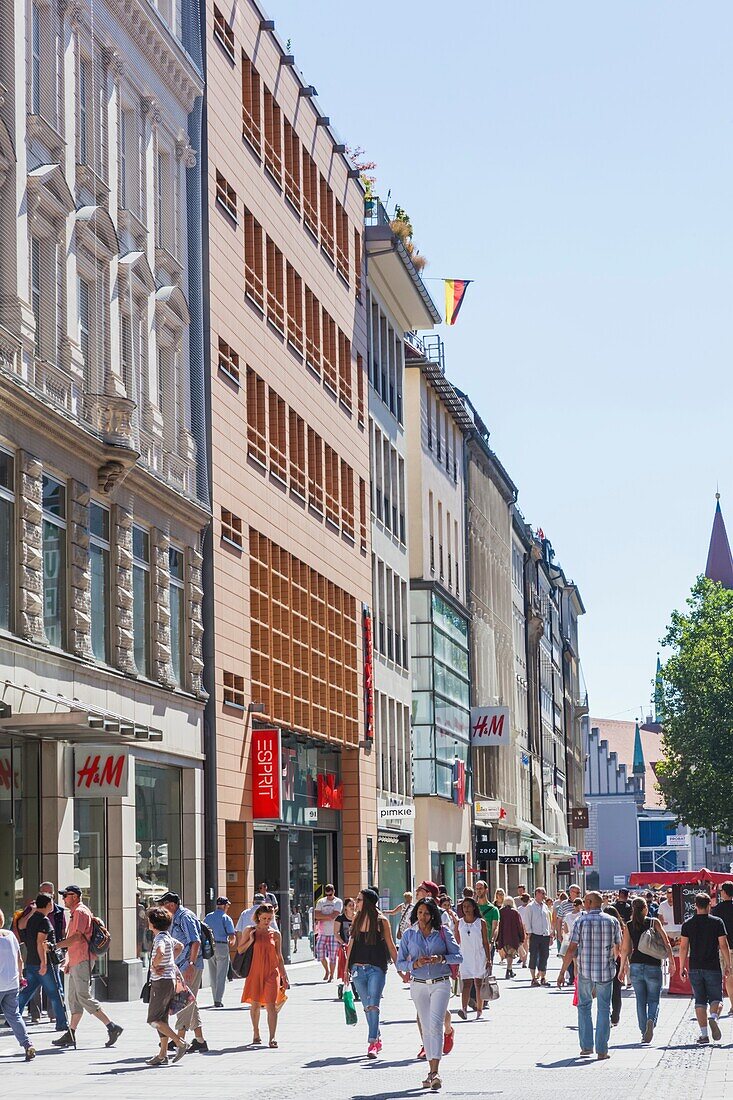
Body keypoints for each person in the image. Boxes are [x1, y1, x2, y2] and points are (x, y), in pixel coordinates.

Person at [397, 897, 462, 1092]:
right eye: (419, 913)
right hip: (418, 985)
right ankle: (430, 1070)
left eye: (426, 913)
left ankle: (435, 1071)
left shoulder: (442, 932)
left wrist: (440, 958)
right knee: (426, 1027)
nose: (422, 916)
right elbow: (399, 962)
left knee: (435, 1024)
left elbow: (458, 956)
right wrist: (413, 964)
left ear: (433, 914)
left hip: (440, 983)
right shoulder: (409, 934)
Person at [53, 885, 123, 1050]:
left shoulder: (80, 912)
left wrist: (57, 945)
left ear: (75, 896)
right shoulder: (75, 912)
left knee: (83, 996)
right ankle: (71, 1033)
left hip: (82, 959)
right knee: (74, 999)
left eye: (66, 895)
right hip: (76, 959)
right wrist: (69, 961)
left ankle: (112, 1027)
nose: (63, 898)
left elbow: (77, 937)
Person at [557, 891, 621, 1060]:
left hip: (585, 970)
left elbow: (571, 949)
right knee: (604, 1008)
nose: (584, 903)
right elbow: (618, 947)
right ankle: (602, 1049)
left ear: (591, 902)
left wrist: (563, 972)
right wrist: (613, 962)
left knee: (584, 1007)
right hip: (605, 971)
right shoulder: (612, 921)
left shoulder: (581, 921)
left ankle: (586, 1047)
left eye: (586, 901)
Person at [346, 888, 397, 1058]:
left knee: (373, 1004)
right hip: (357, 969)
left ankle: (373, 1042)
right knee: (367, 1007)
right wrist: (346, 969)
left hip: (376, 968)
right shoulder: (356, 919)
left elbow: (390, 946)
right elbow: (351, 945)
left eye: (359, 900)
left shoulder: (381, 921)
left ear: (367, 902)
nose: (356, 903)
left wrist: (401, 969)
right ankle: (378, 1037)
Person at [619, 896, 675, 1044]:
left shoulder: (629, 925)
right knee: (654, 999)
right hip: (653, 965)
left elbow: (625, 949)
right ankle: (651, 1020)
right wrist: (672, 962)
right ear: (645, 908)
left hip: (636, 965)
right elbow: (666, 942)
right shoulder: (654, 922)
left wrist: (622, 968)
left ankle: (644, 1031)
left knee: (640, 1001)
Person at [679, 892, 732, 1044]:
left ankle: (704, 1035)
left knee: (699, 1001)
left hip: (695, 966)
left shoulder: (688, 924)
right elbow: (723, 944)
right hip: (713, 965)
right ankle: (714, 1017)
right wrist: (728, 964)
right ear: (710, 904)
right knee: (717, 998)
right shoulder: (717, 922)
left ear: (695, 905)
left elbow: (683, 947)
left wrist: (682, 966)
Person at [158, 892, 208, 1053]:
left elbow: (195, 941)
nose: (161, 908)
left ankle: (179, 1039)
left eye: (163, 905)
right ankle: (200, 1040)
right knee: (189, 999)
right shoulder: (175, 918)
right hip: (180, 965)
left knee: (183, 1000)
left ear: (171, 905)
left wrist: (191, 964)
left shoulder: (185, 917)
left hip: (189, 965)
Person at [17, 893, 69, 1034]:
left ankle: (13, 1017)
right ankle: (62, 1023)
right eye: (52, 902)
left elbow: (21, 927)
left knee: (27, 991)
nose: (53, 905)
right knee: (56, 992)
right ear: (47, 904)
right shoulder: (44, 921)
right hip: (43, 964)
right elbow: (40, 942)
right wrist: (44, 964)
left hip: (31, 962)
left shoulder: (32, 919)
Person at [145, 906, 189, 1066]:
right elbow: (180, 947)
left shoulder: (159, 939)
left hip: (161, 981)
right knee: (162, 1018)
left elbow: (161, 952)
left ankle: (180, 1042)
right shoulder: (167, 936)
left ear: (152, 923)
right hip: (169, 979)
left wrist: (155, 965)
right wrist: (171, 962)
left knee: (153, 1019)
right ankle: (162, 1055)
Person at [239, 903, 289, 1047]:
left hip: (272, 972)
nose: (267, 921)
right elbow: (240, 950)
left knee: (271, 1005)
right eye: (264, 918)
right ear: (258, 917)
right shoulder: (249, 930)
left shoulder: (276, 934)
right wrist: (251, 940)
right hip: (255, 972)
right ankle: (256, 1032)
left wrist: (284, 976)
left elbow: (279, 956)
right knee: (254, 1004)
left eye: (270, 918)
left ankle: (272, 1037)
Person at [0, 908, 35, 1061]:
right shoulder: (11, 935)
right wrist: (20, 977)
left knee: (13, 1015)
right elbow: (19, 959)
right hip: (12, 983)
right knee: (14, 1015)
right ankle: (27, 1045)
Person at [456, 897, 491, 1018]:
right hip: (465, 957)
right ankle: (464, 1009)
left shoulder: (480, 923)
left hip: (478, 956)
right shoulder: (459, 923)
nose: (466, 909)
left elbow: (486, 942)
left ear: (474, 907)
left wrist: (489, 959)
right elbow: (457, 941)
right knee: (466, 983)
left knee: (478, 983)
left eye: (468, 906)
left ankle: (479, 1010)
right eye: (464, 907)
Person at [204, 896, 236, 1008]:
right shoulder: (225, 918)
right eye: (227, 905)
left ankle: (214, 998)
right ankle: (218, 999)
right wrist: (232, 941)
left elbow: (203, 930)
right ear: (223, 905)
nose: (228, 907)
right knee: (221, 974)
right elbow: (232, 935)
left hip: (210, 947)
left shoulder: (208, 917)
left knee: (213, 974)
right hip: (221, 946)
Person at [603, 905, 627, 1026]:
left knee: (605, 989)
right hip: (618, 960)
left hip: (605, 960)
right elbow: (623, 947)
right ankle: (615, 1016)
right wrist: (624, 965)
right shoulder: (621, 927)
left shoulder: (603, 926)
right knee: (616, 991)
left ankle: (606, 1015)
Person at [711, 880, 733, 1014]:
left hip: (725, 946)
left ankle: (732, 1005)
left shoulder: (717, 909)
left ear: (724, 893)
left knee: (729, 976)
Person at [524, 887, 553, 986]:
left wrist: (550, 934)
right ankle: (533, 978)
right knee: (533, 956)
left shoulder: (545, 906)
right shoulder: (530, 906)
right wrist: (529, 932)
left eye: (544, 893)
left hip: (545, 935)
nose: (544, 895)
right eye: (542, 893)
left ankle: (543, 977)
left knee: (544, 956)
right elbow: (527, 920)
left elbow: (548, 920)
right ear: (537, 893)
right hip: (535, 934)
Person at [314, 884, 342, 981]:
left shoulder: (338, 902)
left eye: (330, 894)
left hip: (333, 932)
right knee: (320, 952)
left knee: (332, 956)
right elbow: (316, 915)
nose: (329, 896)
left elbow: (334, 915)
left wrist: (323, 916)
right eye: (327, 895)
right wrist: (328, 916)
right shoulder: (321, 901)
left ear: (334, 891)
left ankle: (331, 975)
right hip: (322, 932)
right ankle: (327, 970)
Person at [496, 896, 525, 978]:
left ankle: (510, 970)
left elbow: (499, 925)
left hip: (503, 936)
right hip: (513, 936)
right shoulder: (515, 912)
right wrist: (521, 937)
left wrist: (497, 938)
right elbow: (519, 925)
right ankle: (509, 970)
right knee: (510, 954)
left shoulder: (500, 912)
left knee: (508, 954)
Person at [560, 897, 584, 985]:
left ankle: (575, 981)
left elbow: (565, 930)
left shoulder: (567, 916)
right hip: (580, 940)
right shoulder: (583, 914)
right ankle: (578, 982)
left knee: (574, 962)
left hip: (570, 939)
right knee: (578, 964)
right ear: (580, 905)